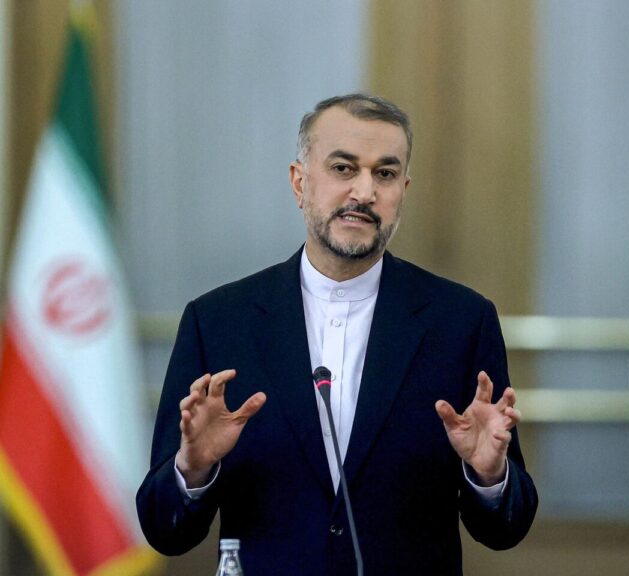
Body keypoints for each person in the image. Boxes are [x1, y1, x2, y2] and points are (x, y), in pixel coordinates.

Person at [136, 94, 538, 575]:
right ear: (299, 182)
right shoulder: (219, 321)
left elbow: (505, 529)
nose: (364, 192)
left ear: (403, 190)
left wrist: (488, 474)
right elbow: (165, 529)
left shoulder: (461, 322)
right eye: (343, 168)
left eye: (384, 173)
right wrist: (193, 469)